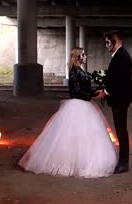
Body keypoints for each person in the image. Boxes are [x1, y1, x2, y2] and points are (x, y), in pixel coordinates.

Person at [18, 47, 117, 178]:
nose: (85, 56)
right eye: (83, 55)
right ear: (77, 58)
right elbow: (76, 92)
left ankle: (81, 161)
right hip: (78, 105)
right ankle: (73, 163)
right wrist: (93, 94)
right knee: (73, 135)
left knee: (85, 135)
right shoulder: (74, 73)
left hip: (85, 105)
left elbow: (88, 83)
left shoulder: (81, 71)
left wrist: (101, 83)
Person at [94, 31, 132, 174]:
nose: (106, 46)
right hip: (120, 97)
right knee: (120, 129)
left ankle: (124, 163)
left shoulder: (121, 56)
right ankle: (123, 162)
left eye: (107, 42)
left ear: (114, 41)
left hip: (121, 98)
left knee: (121, 130)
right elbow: (114, 77)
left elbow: (119, 80)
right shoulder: (120, 55)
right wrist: (104, 88)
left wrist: (106, 92)